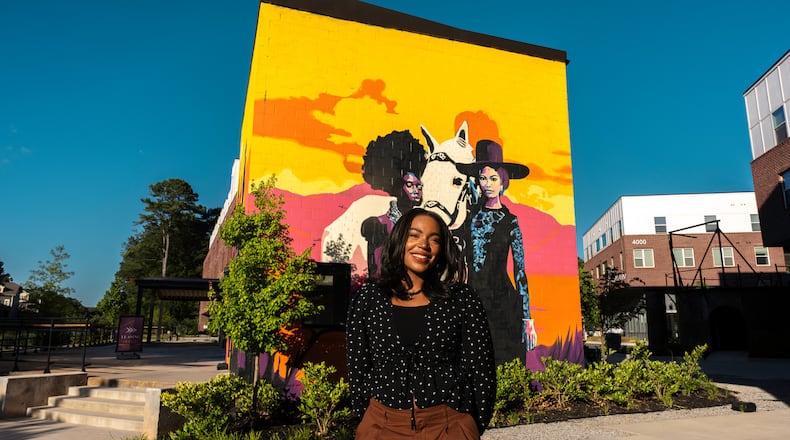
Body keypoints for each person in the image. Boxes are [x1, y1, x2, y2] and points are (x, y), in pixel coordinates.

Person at [346, 208, 496, 439]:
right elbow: (358, 366)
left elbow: (481, 370)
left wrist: (471, 425)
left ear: (442, 250)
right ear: (399, 240)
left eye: (434, 240)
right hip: (381, 424)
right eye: (414, 235)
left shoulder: (461, 299)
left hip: (449, 425)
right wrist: (365, 417)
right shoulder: (368, 299)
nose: (423, 245)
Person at [456, 140, 537, 366]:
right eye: (483, 178)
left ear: (503, 182)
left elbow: (520, 271)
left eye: (493, 178)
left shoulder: (511, 221)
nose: (487, 184)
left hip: (503, 305)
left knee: (504, 362)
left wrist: (527, 317)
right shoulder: (469, 217)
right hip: (473, 301)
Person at [360, 130, 428, 278]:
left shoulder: (424, 223)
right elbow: (376, 270)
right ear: (398, 187)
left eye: (419, 185)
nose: (416, 190)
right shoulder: (379, 224)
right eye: (410, 185)